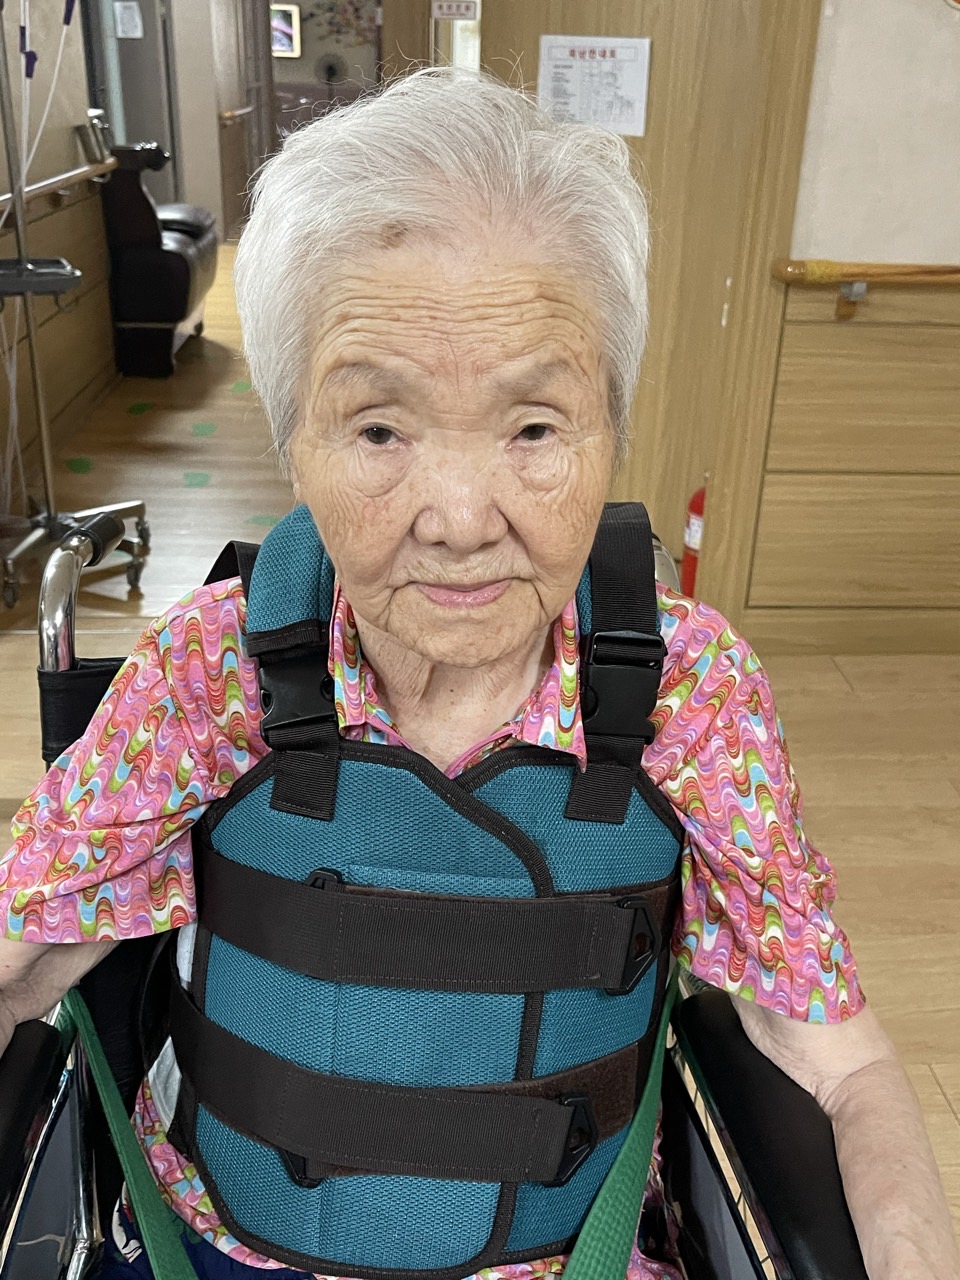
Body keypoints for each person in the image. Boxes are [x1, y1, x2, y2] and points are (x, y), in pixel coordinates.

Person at [0, 69, 956, 1280]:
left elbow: (842, 1061)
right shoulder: (211, 667)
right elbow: (23, 953)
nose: (460, 519)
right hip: (228, 1251)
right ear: (294, 442)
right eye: (380, 428)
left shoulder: (691, 693)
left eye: (534, 427)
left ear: (611, 429)